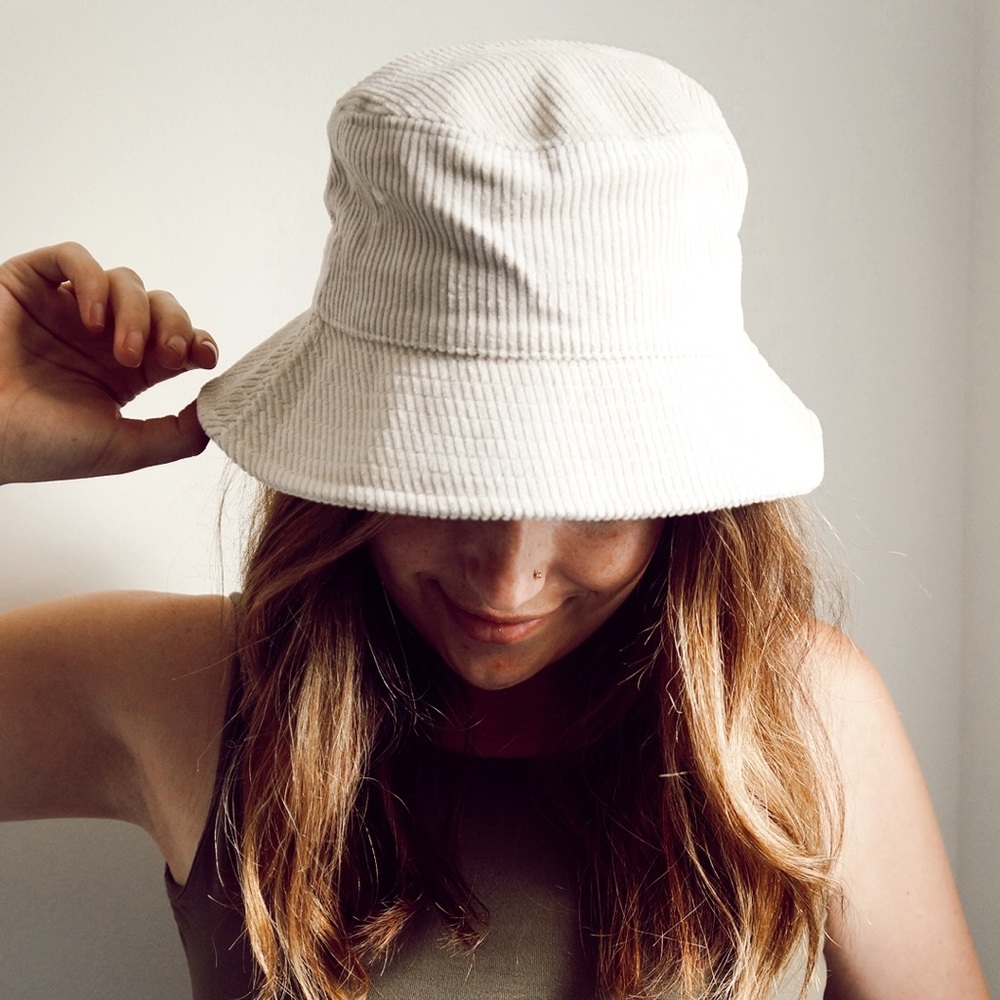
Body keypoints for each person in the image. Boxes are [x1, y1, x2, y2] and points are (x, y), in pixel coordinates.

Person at [0, 40, 988, 1000]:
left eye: (595, 494)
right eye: (448, 478)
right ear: (352, 465)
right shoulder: (192, 689)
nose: (508, 577)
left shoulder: (798, 715)